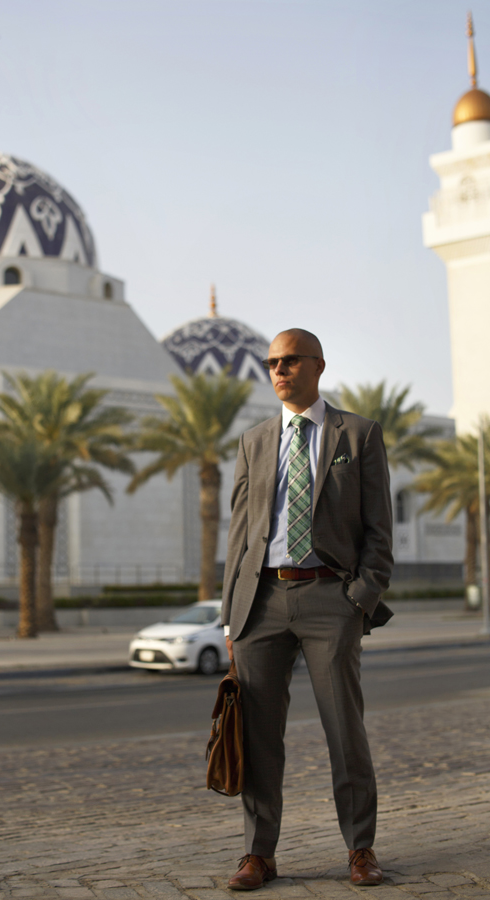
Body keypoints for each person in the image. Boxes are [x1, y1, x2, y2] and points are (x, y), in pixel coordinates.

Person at [221, 328, 393, 890]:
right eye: (272, 363)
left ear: (318, 365)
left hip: (329, 598)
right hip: (261, 602)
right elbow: (240, 535)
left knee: (345, 730)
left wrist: (359, 600)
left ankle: (360, 850)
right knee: (258, 735)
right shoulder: (253, 440)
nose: (278, 370)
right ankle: (258, 853)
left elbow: (378, 531)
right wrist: (230, 615)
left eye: (290, 361)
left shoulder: (359, 435)